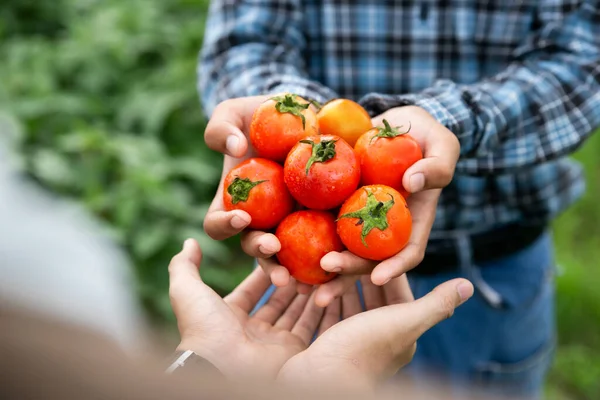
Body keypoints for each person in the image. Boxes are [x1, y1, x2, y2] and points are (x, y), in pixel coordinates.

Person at [197, 0, 600, 398]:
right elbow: (244, 40)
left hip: (494, 263)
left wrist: (451, 121)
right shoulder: (318, 162)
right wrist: (295, 116)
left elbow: (584, 58)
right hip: (306, 283)